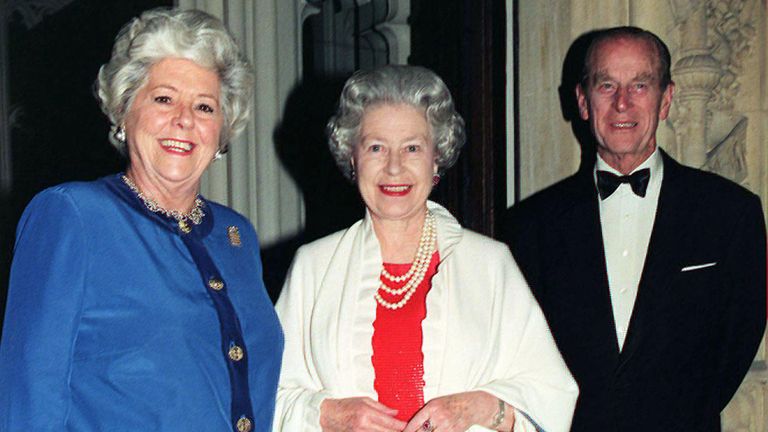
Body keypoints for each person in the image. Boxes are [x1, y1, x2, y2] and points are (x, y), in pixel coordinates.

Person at [0, 8, 283, 431]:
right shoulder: (73, 215)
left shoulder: (234, 234)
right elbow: (30, 392)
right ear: (124, 111)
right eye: (164, 99)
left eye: (205, 106)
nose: (184, 119)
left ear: (222, 130)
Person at [273, 65, 578, 432]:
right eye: (375, 147)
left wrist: (477, 408)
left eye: (413, 148)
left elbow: (553, 396)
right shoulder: (313, 267)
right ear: (353, 159)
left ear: (437, 159)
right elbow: (265, 395)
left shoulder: (489, 264)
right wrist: (327, 414)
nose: (394, 166)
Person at [504, 26, 766, 432]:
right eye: (606, 85)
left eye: (640, 85)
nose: (622, 103)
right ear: (583, 101)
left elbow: (738, 339)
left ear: (666, 100)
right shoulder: (529, 227)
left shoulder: (730, 214)